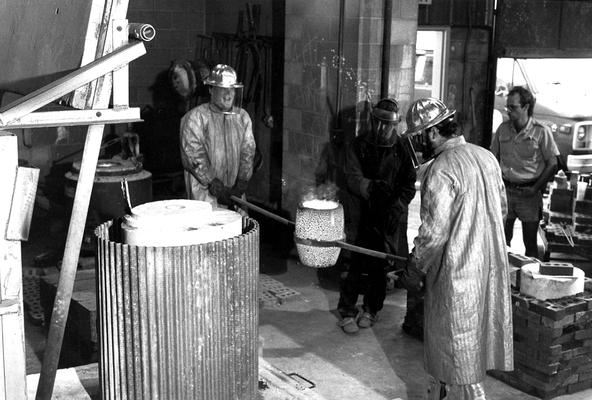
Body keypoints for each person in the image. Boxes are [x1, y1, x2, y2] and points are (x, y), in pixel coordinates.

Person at [399, 98, 513, 399]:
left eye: (419, 136)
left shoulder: (441, 169)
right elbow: (501, 211)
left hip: (457, 276)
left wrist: (416, 266)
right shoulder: (487, 157)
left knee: (455, 354)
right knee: (471, 347)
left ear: (433, 134)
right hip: (487, 267)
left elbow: (434, 233)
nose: (419, 143)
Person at [337, 98, 417, 334]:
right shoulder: (358, 144)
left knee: (379, 264)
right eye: (378, 122)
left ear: (395, 124)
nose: (382, 129)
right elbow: (352, 176)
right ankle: (347, 310)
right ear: (373, 120)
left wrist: (397, 207)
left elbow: (408, 186)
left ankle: (372, 309)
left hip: (386, 215)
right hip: (360, 212)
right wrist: (370, 188)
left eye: (387, 124)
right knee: (353, 261)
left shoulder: (403, 149)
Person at [490, 86, 559, 258]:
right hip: (506, 192)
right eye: (508, 106)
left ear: (526, 107)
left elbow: (553, 163)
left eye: (513, 107)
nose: (508, 111)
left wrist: (535, 188)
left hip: (529, 194)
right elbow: (492, 159)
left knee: (530, 243)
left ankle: (529, 281)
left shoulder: (541, 132)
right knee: (501, 241)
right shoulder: (503, 129)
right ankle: (504, 280)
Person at [179, 64, 256, 209]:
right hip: (205, 195)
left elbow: (248, 152)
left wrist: (242, 182)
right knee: (210, 229)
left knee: (240, 228)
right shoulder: (195, 118)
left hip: (235, 194)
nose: (228, 94)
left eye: (231, 89)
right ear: (211, 90)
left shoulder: (242, 117)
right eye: (222, 89)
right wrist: (213, 183)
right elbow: (193, 156)